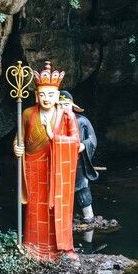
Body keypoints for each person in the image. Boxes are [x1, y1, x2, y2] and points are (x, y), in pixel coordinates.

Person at [12, 62, 80, 260]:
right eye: (42, 94)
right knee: (35, 208)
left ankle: (60, 249)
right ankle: (32, 248)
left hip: (57, 168)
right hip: (33, 166)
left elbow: (75, 142)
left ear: (57, 96)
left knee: (56, 207)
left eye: (50, 95)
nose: (46, 99)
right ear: (36, 95)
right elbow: (19, 139)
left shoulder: (66, 115)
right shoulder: (27, 114)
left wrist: (54, 137)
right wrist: (17, 147)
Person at [58, 90, 99, 224]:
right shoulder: (53, 122)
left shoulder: (82, 121)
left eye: (66, 104)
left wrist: (83, 145)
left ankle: (88, 216)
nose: (64, 107)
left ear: (72, 106)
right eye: (60, 104)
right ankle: (61, 219)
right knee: (59, 190)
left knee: (82, 187)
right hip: (59, 163)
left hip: (78, 162)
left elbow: (92, 139)